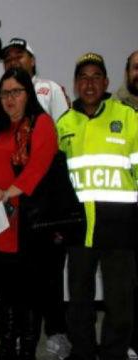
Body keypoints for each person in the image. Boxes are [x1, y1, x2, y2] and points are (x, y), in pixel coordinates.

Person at [0, 68, 57, 360]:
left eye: (16, 91)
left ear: (28, 93)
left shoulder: (41, 124)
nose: (9, 98)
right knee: (7, 290)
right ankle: (7, 347)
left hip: (30, 223)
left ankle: (27, 351)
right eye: (5, 93)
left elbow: (38, 167)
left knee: (30, 292)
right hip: (1, 224)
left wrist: (7, 192)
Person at [57, 53, 138, 360]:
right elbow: (58, 180)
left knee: (120, 300)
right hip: (80, 228)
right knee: (79, 299)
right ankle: (83, 351)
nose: (89, 83)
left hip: (120, 228)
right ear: (76, 84)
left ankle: (114, 354)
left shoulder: (128, 117)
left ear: (106, 82)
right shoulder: (64, 123)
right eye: (83, 78)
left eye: (95, 77)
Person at [1, 38, 72, 357]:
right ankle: (19, 341)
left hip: (45, 203)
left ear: (33, 60)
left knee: (48, 276)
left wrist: (13, 189)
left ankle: (54, 334)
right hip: (19, 209)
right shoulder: (8, 112)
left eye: (20, 55)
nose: (13, 60)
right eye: (9, 57)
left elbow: (55, 146)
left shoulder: (49, 92)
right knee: (22, 279)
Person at [115, 50, 138, 360]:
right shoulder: (115, 108)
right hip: (125, 207)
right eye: (135, 67)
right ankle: (129, 340)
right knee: (125, 280)